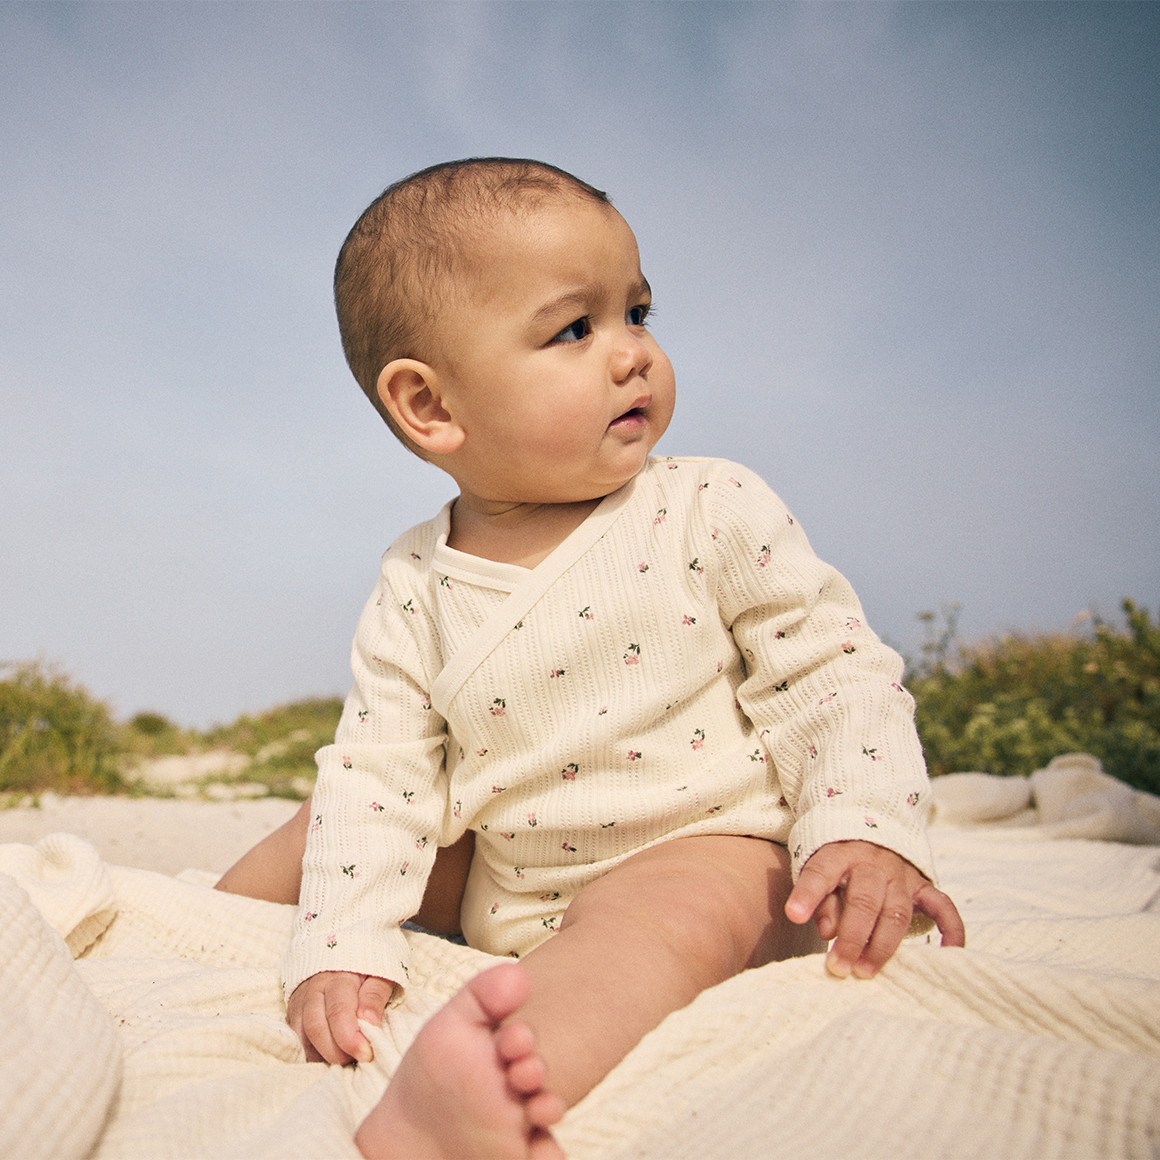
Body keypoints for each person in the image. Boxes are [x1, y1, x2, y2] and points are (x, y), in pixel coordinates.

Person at [217, 157, 965, 1160]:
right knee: (341, 807)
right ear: (430, 405)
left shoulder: (707, 505)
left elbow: (829, 675)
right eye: (575, 328)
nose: (632, 354)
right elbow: (382, 769)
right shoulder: (415, 578)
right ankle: (197, 918)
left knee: (652, 920)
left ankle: (481, 1087)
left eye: (637, 313)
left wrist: (864, 828)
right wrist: (340, 942)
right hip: (508, 866)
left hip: (711, 850)